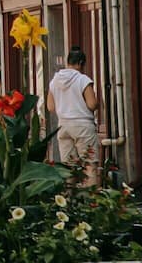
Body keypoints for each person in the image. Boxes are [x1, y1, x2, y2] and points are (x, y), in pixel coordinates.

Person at [47, 47, 102, 186]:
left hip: (63, 126)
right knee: (90, 164)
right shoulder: (82, 80)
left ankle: (68, 200)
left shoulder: (55, 81)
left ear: (68, 62)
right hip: (83, 126)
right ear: (81, 63)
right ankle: (91, 201)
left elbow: (51, 107)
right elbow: (92, 104)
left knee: (69, 167)